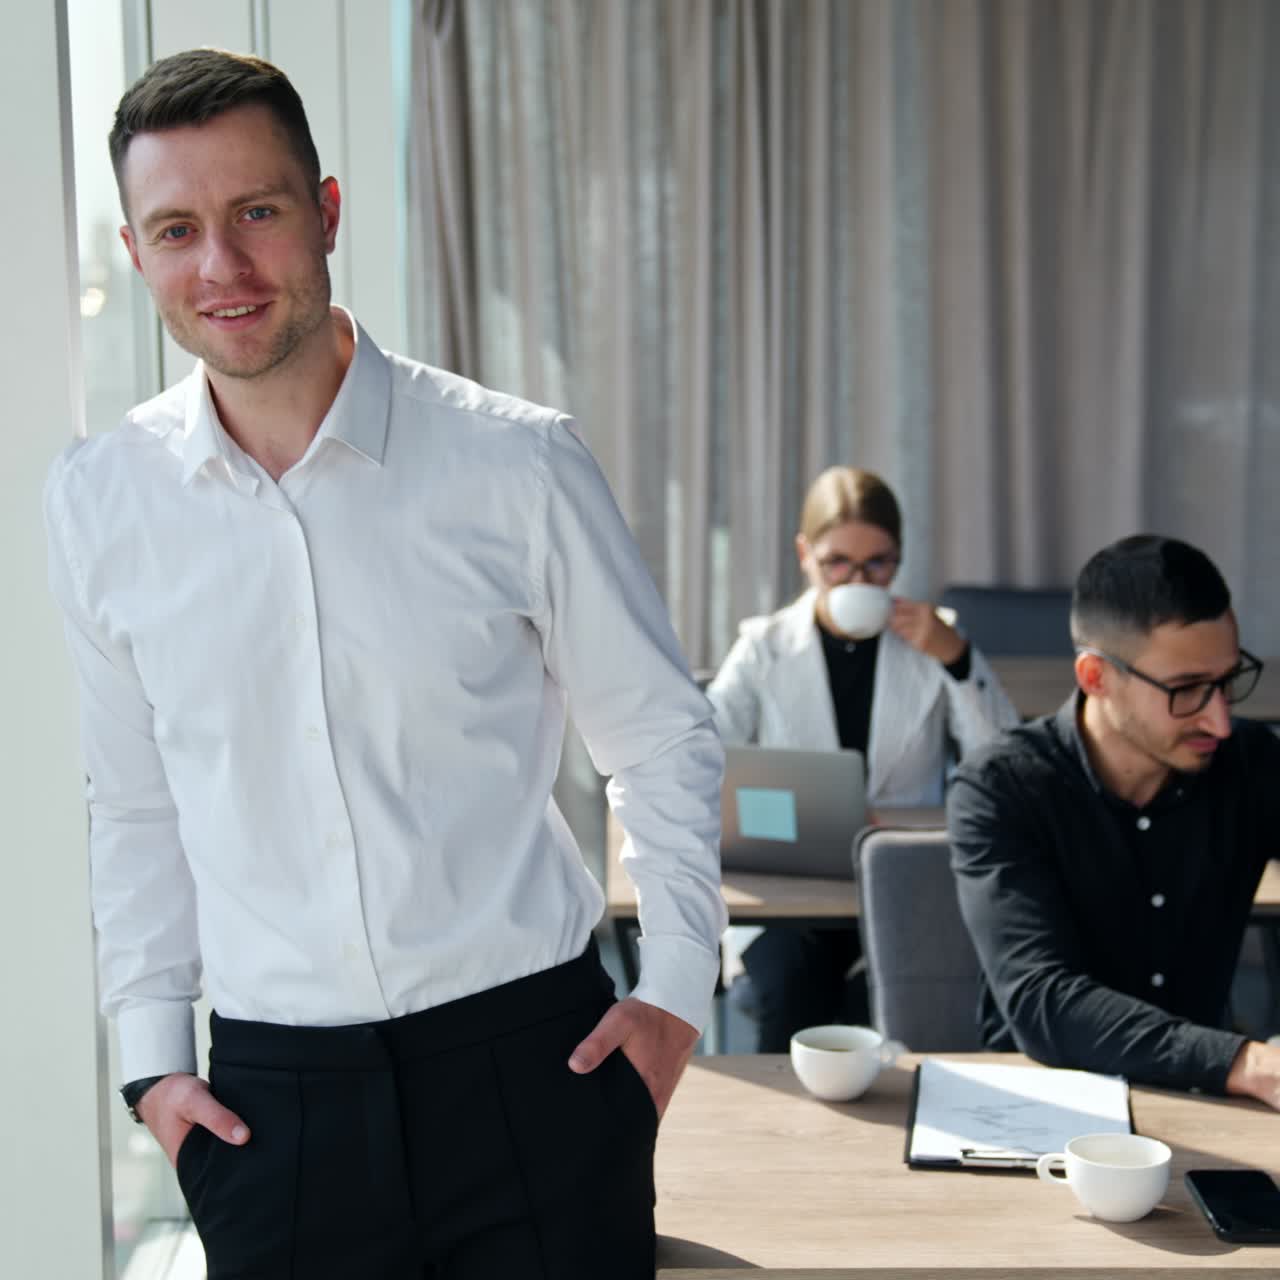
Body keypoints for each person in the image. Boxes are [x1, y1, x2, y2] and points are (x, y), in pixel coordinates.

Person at [44, 49, 726, 1278]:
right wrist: (152, 1062)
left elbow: (659, 737)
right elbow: (134, 805)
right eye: (178, 228)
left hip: (536, 1074)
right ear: (139, 254)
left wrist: (674, 989)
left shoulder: (517, 464)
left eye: (257, 211)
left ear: (328, 212)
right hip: (270, 1109)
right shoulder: (100, 503)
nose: (224, 266)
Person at [948, 534, 1280, 1107]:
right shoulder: (1001, 787)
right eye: (1187, 690)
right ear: (1096, 677)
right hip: (1040, 1109)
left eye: (1226, 681)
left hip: (1208, 1099)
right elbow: (1043, 1000)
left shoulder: (1253, 765)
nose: (1220, 721)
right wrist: (1244, 1061)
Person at [707, 466, 1018, 1051]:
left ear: (899, 559)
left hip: (904, 879)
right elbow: (703, 750)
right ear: (805, 555)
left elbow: (1002, 762)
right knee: (789, 993)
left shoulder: (935, 639)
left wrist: (956, 661)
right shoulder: (765, 645)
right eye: (837, 563)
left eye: (878, 563)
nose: (858, 579)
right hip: (790, 880)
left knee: (899, 1013)